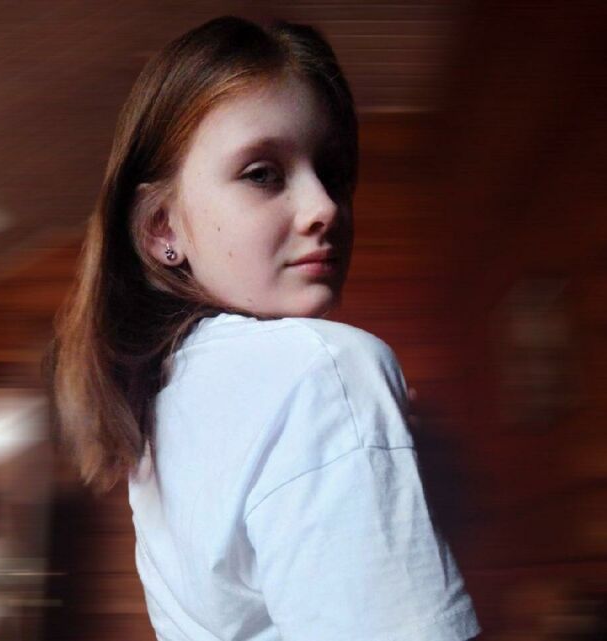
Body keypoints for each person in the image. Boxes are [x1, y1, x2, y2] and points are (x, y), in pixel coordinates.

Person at [48, 15, 483, 641]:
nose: (325, 206)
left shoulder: (162, 400)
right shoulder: (321, 369)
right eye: (262, 174)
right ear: (162, 227)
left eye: (333, 172)